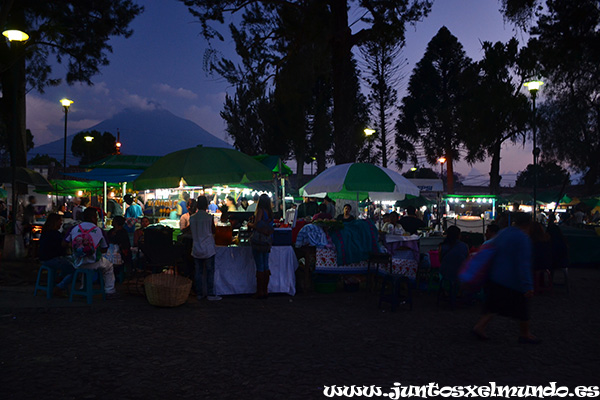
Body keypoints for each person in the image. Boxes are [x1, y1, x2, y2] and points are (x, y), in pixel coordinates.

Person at [471, 213, 539, 344]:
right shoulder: (523, 239)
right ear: (528, 224)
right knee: (522, 308)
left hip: (496, 275)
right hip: (513, 279)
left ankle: (479, 326)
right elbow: (523, 263)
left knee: (495, 305)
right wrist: (528, 285)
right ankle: (525, 334)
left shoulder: (504, 233)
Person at [63, 207, 118, 298]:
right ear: (93, 217)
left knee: (83, 268)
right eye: (96, 217)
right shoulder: (99, 230)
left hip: (77, 263)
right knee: (109, 266)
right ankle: (110, 290)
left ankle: (83, 286)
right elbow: (104, 249)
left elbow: (64, 244)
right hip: (94, 262)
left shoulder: (74, 228)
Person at [190, 196, 221, 301]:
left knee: (198, 272)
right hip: (208, 248)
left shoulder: (192, 217)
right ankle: (210, 293)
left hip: (196, 248)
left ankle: (199, 293)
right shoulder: (209, 217)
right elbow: (213, 230)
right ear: (206, 205)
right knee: (209, 271)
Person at [38, 213, 74, 297]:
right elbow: (63, 245)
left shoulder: (46, 232)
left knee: (67, 266)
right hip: (52, 259)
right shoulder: (55, 234)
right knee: (75, 270)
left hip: (44, 258)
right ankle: (59, 287)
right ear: (55, 222)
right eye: (60, 221)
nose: (61, 223)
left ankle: (58, 280)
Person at [247, 193, 274, 299]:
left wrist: (249, 224)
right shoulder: (270, 212)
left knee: (259, 265)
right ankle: (265, 290)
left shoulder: (260, 211)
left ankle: (260, 291)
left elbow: (257, 224)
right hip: (267, 240)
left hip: (259, 240)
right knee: (266, 265)